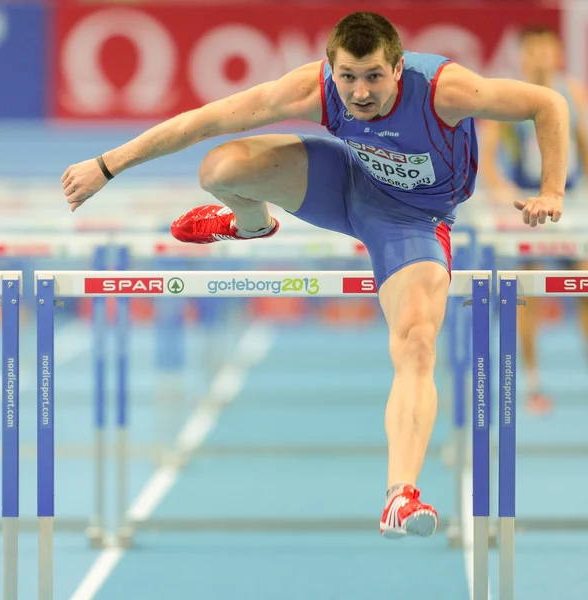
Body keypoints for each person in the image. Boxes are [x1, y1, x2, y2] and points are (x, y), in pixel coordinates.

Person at [61, 12, 568, 539]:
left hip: (413, 219)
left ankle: (401, 495)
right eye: (348, 76)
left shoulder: (446, 89)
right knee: (219, 167)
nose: (361, 92)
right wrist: (106, 166)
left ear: (398, 67)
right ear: (331, 67)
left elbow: (545, 102)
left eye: (374, 76)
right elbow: (204, 120)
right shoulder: (313, 89)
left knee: (416, 339)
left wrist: (552, 190)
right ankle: (251, 225)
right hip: (343, 181)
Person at [481, 25, 587, 415]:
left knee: (584, 285)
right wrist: (501, 192)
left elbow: (584, 145)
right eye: (534, 51)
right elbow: (488, 156)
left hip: (571, 202)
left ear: (557, 53)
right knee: (527, 294)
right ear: (524, 56)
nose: (542, 58)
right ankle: (532, 382)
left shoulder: (572, 92)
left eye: (548, 50)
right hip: (529, 206)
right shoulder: (511, 97)